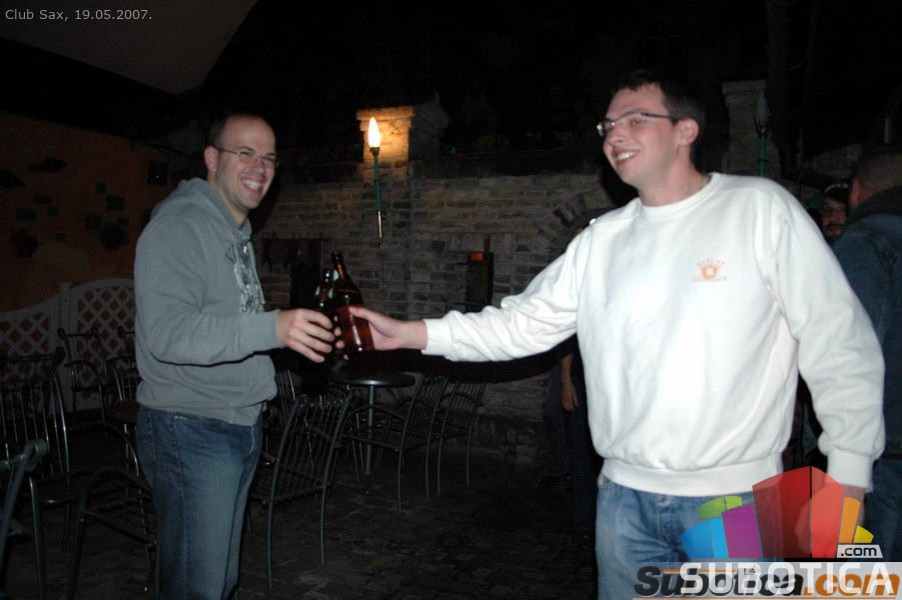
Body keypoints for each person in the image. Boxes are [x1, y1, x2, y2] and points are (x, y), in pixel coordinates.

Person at [347, 70, 884, 598]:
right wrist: (410, 334)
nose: (614, 135)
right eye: (607, 125)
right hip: (624, 501)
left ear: (685, 130)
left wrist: (848, 478)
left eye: (634, 119)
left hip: (736, 500)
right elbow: (520, 325)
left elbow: (837, 341)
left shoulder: (758, 209)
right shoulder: (601, 239)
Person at [134, 113, 335, 599]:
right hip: (192, 425)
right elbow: (168, 334)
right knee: (198, 586)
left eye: (269, 158)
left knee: (215, 581)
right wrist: (272, 327)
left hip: (234, 422)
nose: (259, 167)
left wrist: (280, 334)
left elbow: (225, 322)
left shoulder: (232, 232)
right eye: (244, 153)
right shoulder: (181, 226)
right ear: (211, 158)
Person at [833, 146, 902, 561]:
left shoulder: (865, 243)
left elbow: (848, 354)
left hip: (885, 453)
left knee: (870, 576)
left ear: (856, 191)